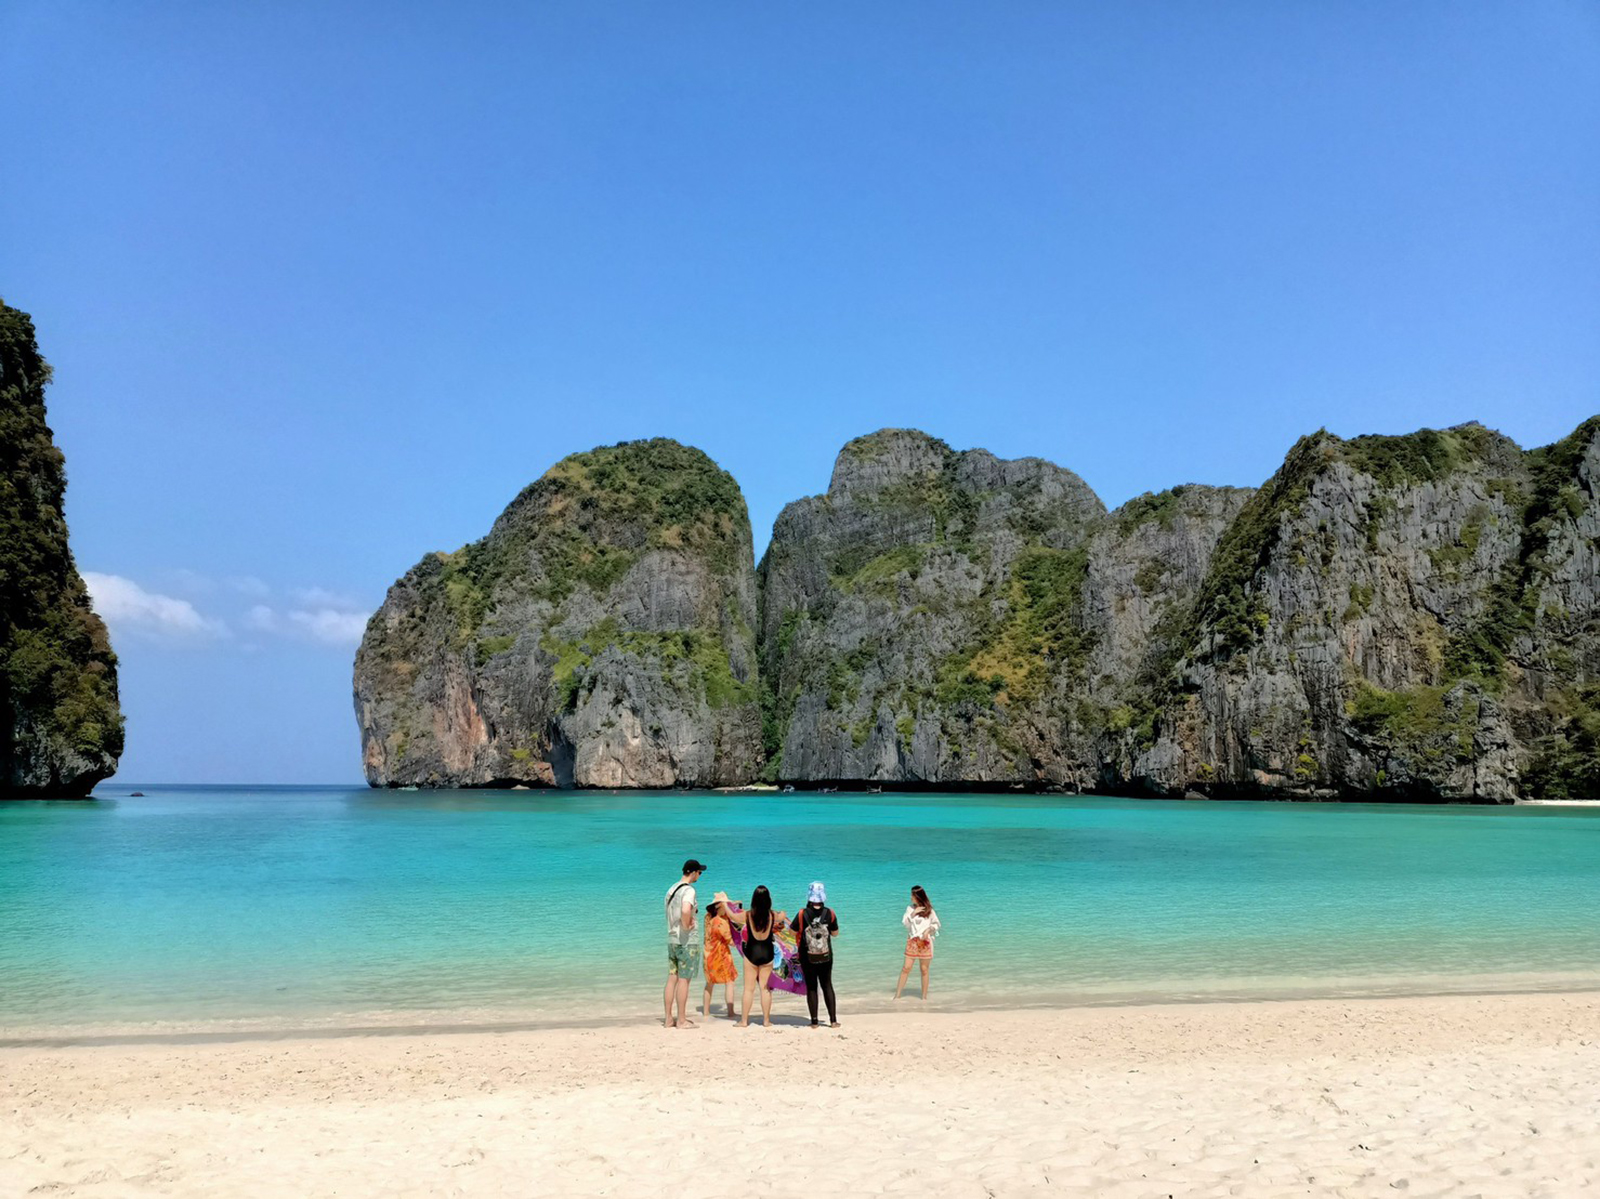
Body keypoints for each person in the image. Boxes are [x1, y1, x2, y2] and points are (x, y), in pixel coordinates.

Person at [663, 858, 706, 1029]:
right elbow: (686, 909)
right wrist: (687, 925)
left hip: (672, 939)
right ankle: (681, 1020)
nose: (700, 875)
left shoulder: (671, 889)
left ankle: (668, 1019)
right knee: (684, 980)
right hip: (686, 941)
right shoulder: (689, 890)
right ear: (693, 872)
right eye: (699, 872)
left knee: (672, 978)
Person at [790, 880, 840, 1028]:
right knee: (827, 985)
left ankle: (814, 1022)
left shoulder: (802, 914)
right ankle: (833, 1020)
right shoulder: (829, 913)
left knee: (812, 987)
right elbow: (835, 934)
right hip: (826, 956)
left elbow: (792, 931)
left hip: (807, 957)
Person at [737, 885, 786, 1028]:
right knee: (765, 989)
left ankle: (744, 1021)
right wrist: (782, 912)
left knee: (748, 989)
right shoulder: (772, 915)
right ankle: (766, 1021)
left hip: (751, 953)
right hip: (767, 953)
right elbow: (783, 915)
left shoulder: (747, 915)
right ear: (768, 900)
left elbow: (732, 916)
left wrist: (725, 905)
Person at [894, 885, 940, 1000]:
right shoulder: (910, 909)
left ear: (918, 896)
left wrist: (928, 930)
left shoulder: (930, 910)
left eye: (912, 895)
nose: (910, 898)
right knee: (906, 968)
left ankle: (924, 997)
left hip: (925, 942)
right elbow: (905, 923)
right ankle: (897, 996)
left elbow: (937, 924)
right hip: (912, 941)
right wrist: (913, 913)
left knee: (924, 969)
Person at [701, 898, 739, 1020]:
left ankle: (706, 1012)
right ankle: (731, 1012)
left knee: (709, 984)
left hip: (708, 955)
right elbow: (731, 941)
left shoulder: (708, 918)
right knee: (730, 982)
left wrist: (733, 904)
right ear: (719, 907)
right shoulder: (720, 923)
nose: (727, 908)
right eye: (725, 906)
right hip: (721, 956)